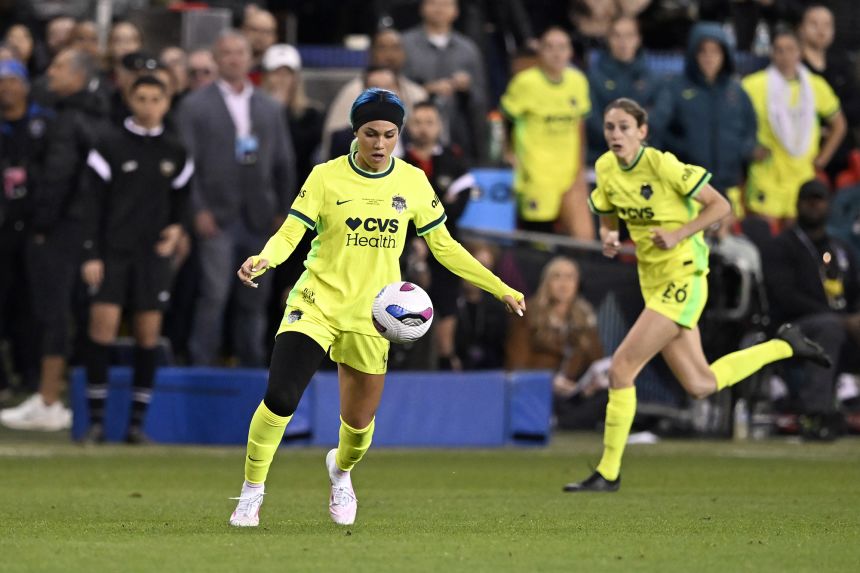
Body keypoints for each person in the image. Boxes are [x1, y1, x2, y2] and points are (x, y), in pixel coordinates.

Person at [227, 88, 525, 527]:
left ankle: (341, 472)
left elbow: (444, 247)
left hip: (375, 314)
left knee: (359, 426)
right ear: (355, 132)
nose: (379, 143)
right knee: (281, 396)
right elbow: (292, 231)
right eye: (371, 133)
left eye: (389, 134)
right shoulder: (326, 177)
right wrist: (265, 258)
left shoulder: (411, 182)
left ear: (399, 135)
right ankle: (251, 493)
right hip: (318, 301)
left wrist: (498, 286)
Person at [564, 98, 831, 492]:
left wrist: (678, 233)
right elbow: (607, 207)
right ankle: (782, 347)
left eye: (624, 127)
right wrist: (608, 233)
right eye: (609, 127)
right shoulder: (605, 168)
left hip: (685, 277)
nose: (615, 135)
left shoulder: (662, 165)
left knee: (622, 367)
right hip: (652, 280)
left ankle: (608, 471)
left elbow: (719, 205)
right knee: (700, 383)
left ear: (643, 131)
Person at [78, 75, 192, 444]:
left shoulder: (176, 150)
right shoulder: (108, 145)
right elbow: (90, 204)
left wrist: (176, 230)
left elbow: (182, 202)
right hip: (112, 253)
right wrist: (91, 253)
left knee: (147, 335)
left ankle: (136, 426)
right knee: (102, 330)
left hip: (151, 257)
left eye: (155, 99)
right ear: (129, 100)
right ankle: (95, 422)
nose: (148, 106)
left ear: (166, 102)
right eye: (141, 98)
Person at [0, 49, 106, 431]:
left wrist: (40, 223)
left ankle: (48, 400)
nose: (51, 72)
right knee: (72, 313)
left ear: (78, 76)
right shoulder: (99, 116)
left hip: (60, 230)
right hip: (88, 229)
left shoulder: (66, 120)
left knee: (53, 313)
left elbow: (57, 179)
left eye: (59, 66)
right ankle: (63, 399)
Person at [178, 30, 294, 367]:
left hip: (260, 217)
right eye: (226, 53)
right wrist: (197, 209)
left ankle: (252, 366)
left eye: (240, 52)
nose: (233, 58)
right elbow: (186, 165)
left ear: (250, 58)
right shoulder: (194, 105)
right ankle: (202, 363)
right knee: (214, 294)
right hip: (217, 215)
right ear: (215, 59)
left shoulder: (269, 107)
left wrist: (282, 210)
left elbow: (284, 163)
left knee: (254, 299)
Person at [763, 179, 859, 441]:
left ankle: (852, 406)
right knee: (830, 327)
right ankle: (815, 414)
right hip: (792, 328)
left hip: (840, 327)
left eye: (820, 200)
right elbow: (784, 297)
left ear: (829, 205)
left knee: (838, 327)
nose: (814, 205)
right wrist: (842, 320)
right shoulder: (781, 246)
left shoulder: (841, 249)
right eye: (809, 200)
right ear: (798, 205)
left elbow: (855, 290)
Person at [742, 27, 846, 224]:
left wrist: (822, 159)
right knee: (766, 242)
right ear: (772, 53)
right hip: (767, 174)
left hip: (802, 175)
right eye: (779, 49)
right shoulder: (753, 85)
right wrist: (749, 149)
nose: (785, 55)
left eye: (790, 49)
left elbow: (839, 124)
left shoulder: (816, 85)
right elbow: (733, 123)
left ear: (800, 52)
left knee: (796, 241)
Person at [500, 26, 592, 239]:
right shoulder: (525, 83)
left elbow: (580, 125)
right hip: (536, 175)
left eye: (562, 47)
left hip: (569, 175)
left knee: (584, 238)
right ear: (540, 52)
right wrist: (508, 152)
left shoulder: (578, 81)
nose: (556, 53)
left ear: (570, 52)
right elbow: (504, 119)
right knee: (540, 241)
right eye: (549, 47)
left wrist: (580, 167)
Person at [402, 100, 475, 369]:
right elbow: (396, 207)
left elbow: (460, 204)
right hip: (405, 244)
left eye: (429, 122)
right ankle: (403, 355)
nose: (423, 129)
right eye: (418, 122)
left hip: (445, 242)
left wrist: (426, 218)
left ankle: (447, 356)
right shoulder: (398, 162)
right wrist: (415, 238)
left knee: (448, 298)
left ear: (439, 126)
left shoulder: (454, 160)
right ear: (409, 126)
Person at [664, 22, 757, 220]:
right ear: (693, 55)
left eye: (715, 51)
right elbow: (659, 129)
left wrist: (741, 150)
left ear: (725, 55)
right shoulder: (676, 89)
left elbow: (751, 128)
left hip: (729, 186)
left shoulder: (736, 92)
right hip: (689, 188)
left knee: (730, 244)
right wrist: (682, 150)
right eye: (703, 51)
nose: (709, 58)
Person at [0, 59, 51, 409]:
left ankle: (32, 376)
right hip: (2, 228)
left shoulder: (43, 123)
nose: (6, 87)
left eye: (11, 80)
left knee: (33, 305)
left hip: (34, 227)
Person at [401, 0, 488, 161]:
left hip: (457, 134)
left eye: (446, 4)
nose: (439, 9)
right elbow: (394, 88)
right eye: (433, 3)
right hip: (410, 134)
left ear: (456, 11)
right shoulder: (404, 44)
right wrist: (425, 90)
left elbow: (481, 99)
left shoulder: (468, 49)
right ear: (422, 7)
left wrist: (467, 88)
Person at [320, 29, 426, 160]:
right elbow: (332, 141)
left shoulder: (417, 93)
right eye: (382, 47)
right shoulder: (352, 92)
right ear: (371, 53)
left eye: (395, 48)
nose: (389, 55)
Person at [506, 256, 603, 399]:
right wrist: (549, 382)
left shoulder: (585, 318)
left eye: (570, 277)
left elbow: (597, 362)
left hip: (573, 391)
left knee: (605, 397)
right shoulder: (528, 313)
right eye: (557, 277)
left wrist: (591, 384)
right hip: (538, 389)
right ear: (546, 282)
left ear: (577, 284)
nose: (564, 284)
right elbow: (517, 364)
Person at [587, 16, 670, 165]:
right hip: (603, 161)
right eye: (617, 36)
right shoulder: (593, 78)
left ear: (638, 39)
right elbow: (592, 119)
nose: (623, 42)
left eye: (629, 35)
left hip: (646, 162)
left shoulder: (655, 79)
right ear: (608, 39)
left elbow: (660, 117)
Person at [798, 4, 860, 184]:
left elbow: (856, 107)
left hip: (842, 155)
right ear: (801, 28)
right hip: (804, 156)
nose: (821, 30)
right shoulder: (795, 68)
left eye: (827, 25)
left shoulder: (842, 65)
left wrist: (832, 119)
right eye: (814, 24)